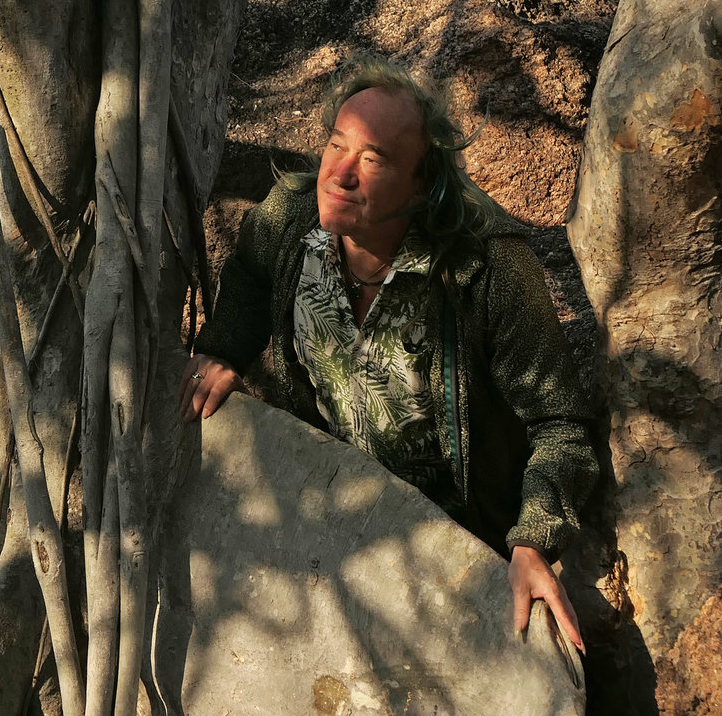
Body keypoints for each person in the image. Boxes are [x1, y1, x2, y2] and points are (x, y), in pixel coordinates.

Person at [178, 61, 597, 648]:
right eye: (335, 146)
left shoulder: (487, 271)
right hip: (335, 531)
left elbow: (560, 424)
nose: (339, 174)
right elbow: (249, 272)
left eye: (372, 159)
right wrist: (224, 348)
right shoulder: (291, 221)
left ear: (423, 186)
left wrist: (533, 540)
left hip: (455, 552)